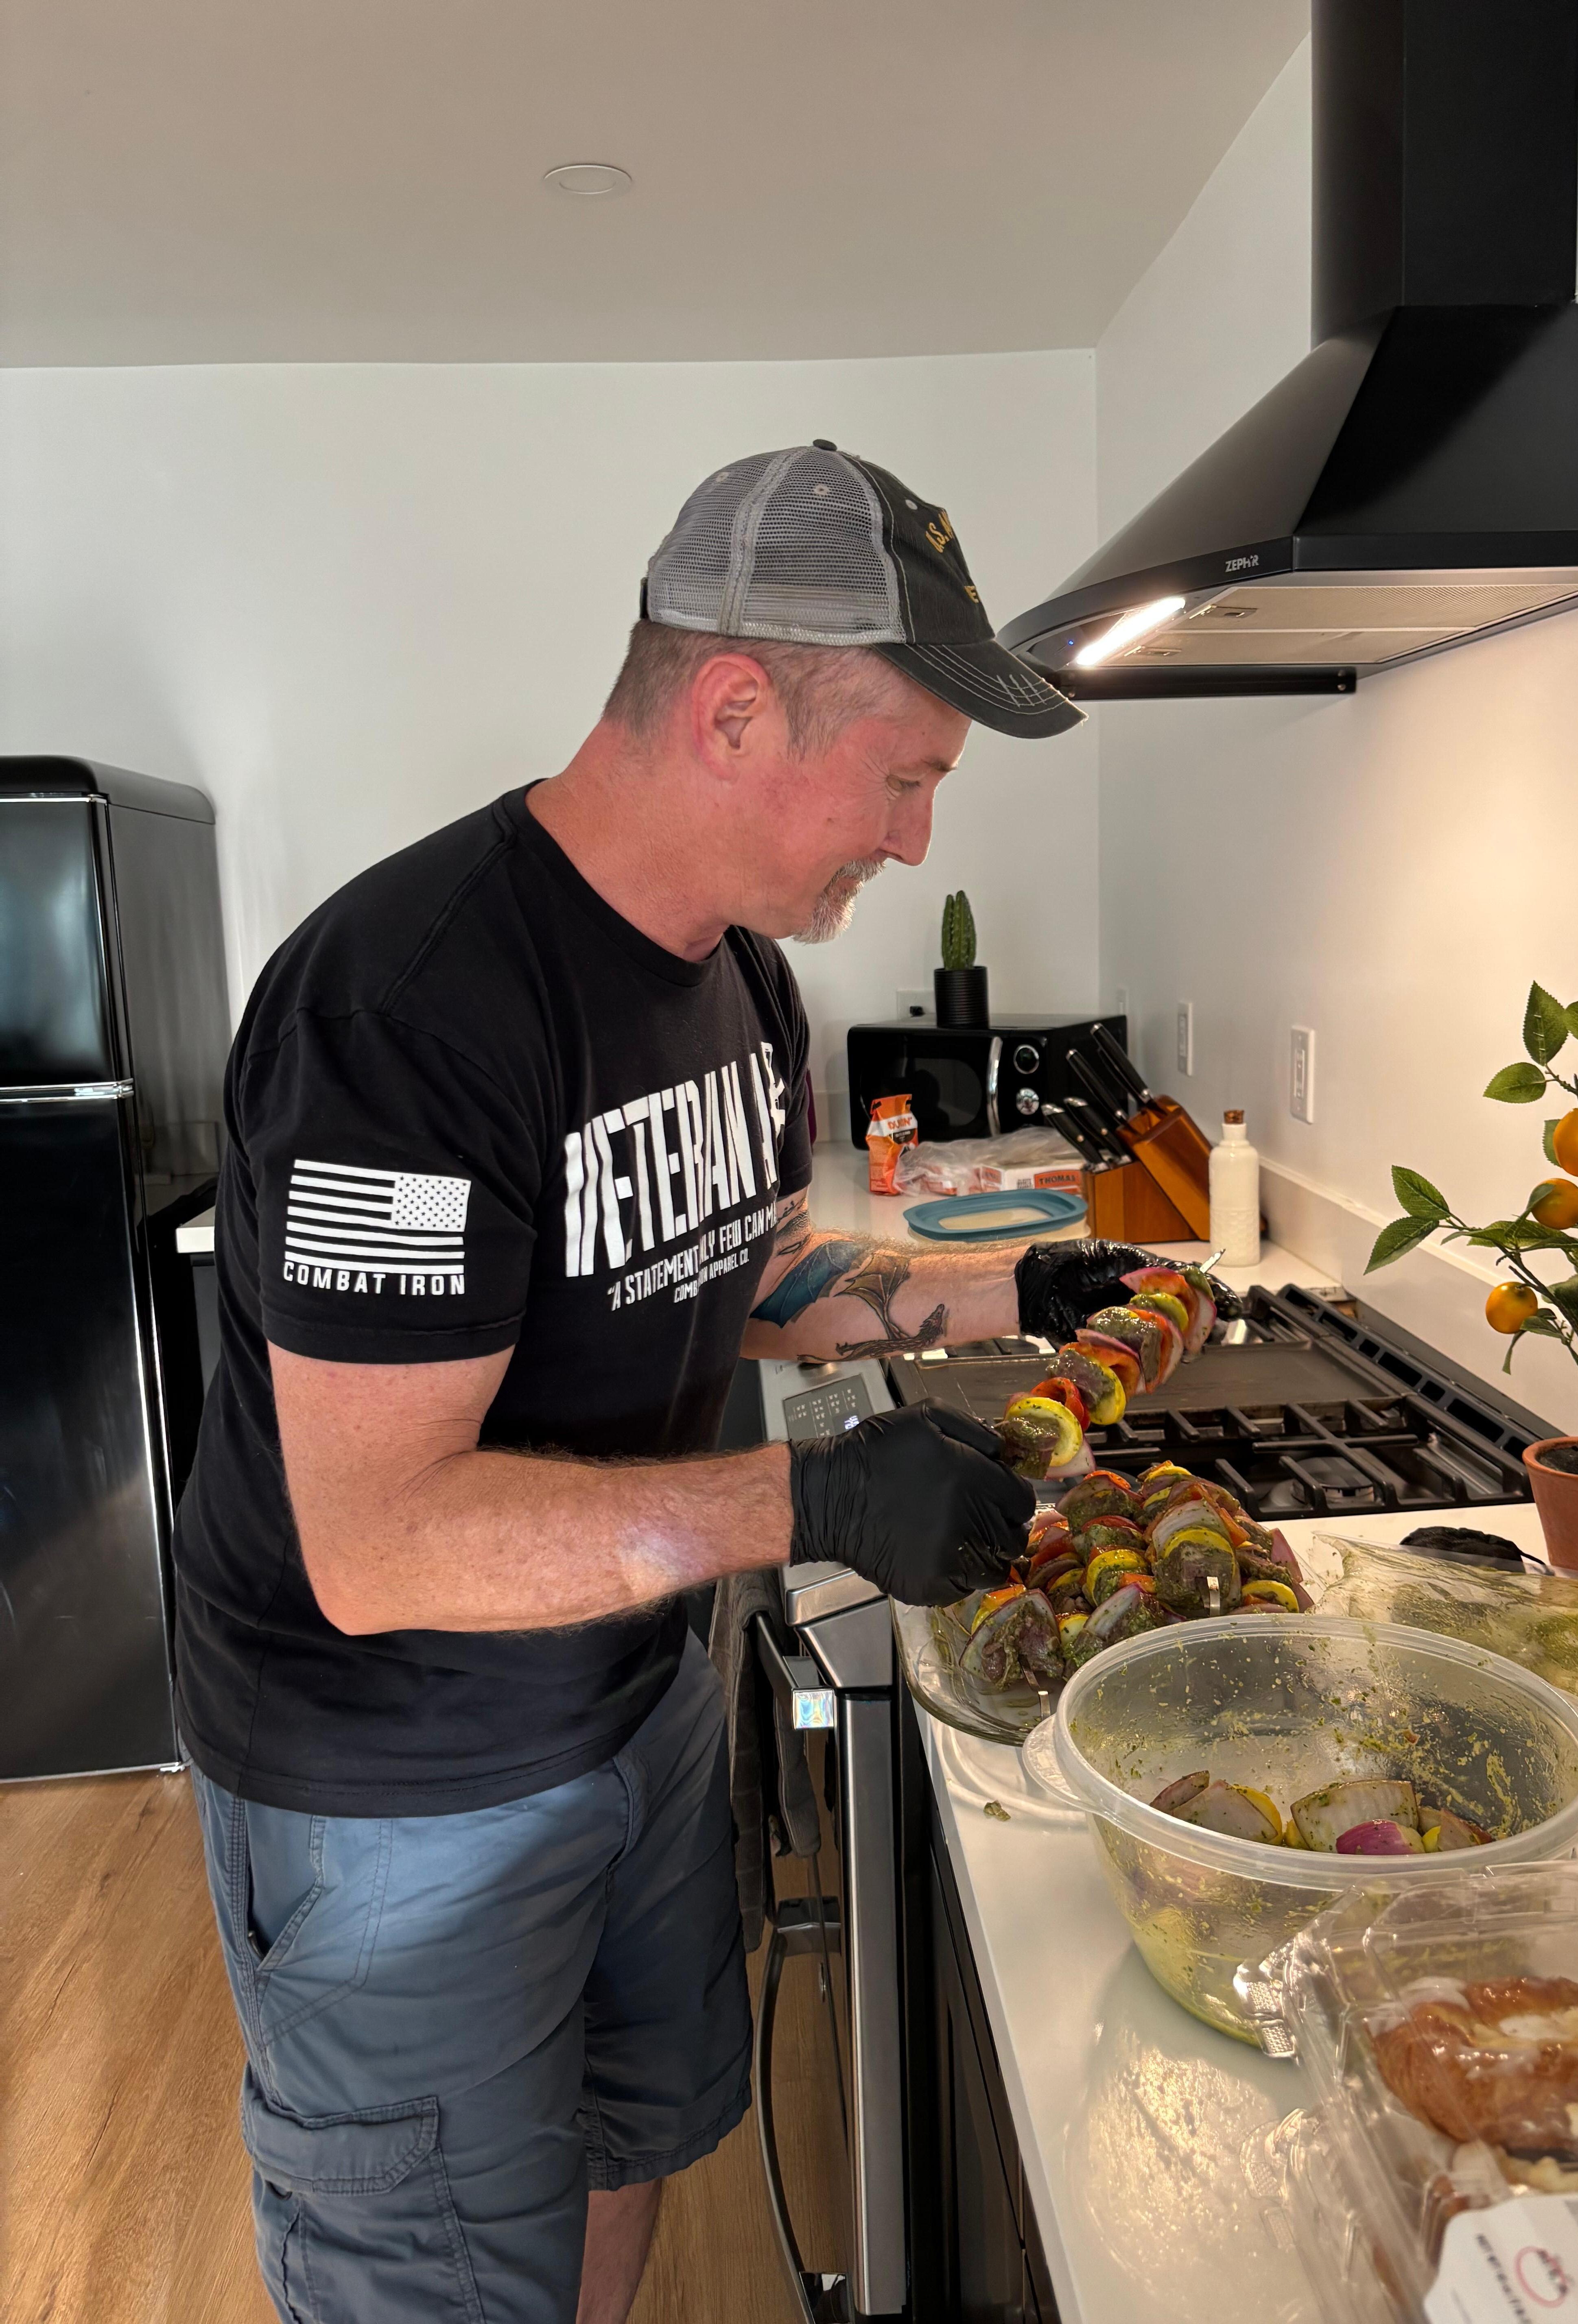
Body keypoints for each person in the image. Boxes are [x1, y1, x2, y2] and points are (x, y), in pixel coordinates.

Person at [174, 440, 1153, 2324]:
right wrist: (813, 1503)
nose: (916, 841)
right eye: (906, 780)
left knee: (627, 2147)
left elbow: (736, 1265)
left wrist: (1004, 1284)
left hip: (626, 1704)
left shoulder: (737, 978)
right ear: (732, 710)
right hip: (405, 1798)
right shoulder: (409, 1007)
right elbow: (376, 1546)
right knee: (438, 2279)